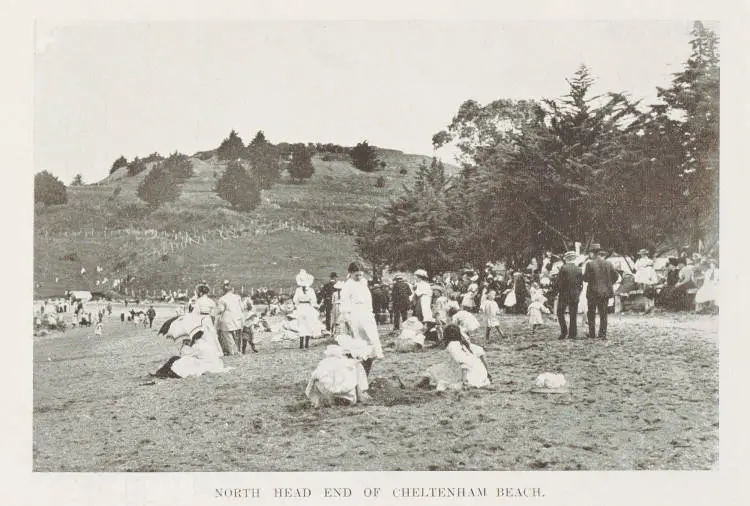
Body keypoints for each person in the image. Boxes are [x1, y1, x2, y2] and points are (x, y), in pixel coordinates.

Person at [339, 262, 384, 376]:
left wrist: (370, 314)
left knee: (371, 343)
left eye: (360, 275)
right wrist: (347, 320)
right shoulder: (347, 286)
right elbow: (344, 305)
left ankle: (365, 374)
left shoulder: (363, 284)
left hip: (366, 316)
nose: (359, 277)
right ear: (350, 273)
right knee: (357, 345)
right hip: (354, 316)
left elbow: (368, 301)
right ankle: (356, 375)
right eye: (356, 275)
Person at [152, 312, 228, 378]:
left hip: (207, 364)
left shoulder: (198, 345)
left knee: (180, 360)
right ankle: (162, 372)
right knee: (176, 359)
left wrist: (185, 345)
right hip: (211, 363)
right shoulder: (202, 342)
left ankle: (162, 373)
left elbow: (184, 355)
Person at [418, 324, 491, 391]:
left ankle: (423, 384)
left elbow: (463, 363)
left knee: (433, 371)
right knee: (439, 369)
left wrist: (464, 381)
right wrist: (487, 372)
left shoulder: (452, 345)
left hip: (467, 373)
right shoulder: (464, 343)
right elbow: (481, 353)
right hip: (480, 372)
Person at [305, 344, 371, 407]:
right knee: (355, 378)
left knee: (316, 381)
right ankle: (358, 398)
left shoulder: (324, 363)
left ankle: (318, 402)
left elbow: (314, 377)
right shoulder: (350, 363)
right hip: (349, 398)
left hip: (331, 397)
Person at [583, 244, 618, 339]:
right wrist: (608, 284)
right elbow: (616, 276)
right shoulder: (609, 263)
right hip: (605, 293)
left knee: (591, 313)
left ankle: (592, 334)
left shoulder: (589, 264)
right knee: (603, 314)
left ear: (592, 253)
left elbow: (585, 278)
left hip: (593, 293)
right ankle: (602, 334)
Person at [556, 251, 583, 340]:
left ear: (566, 259)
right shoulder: (579, 269)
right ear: (574, 258)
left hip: (564, 294)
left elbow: (560, 283)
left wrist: (559, 291)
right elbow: (580, 284)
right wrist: (578, 292)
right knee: (573, 314)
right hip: (575, 294)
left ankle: (564, 332)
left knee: (560, 312)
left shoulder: (563, 268)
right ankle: (573, 334)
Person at [293, 269, 320, 350]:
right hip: (303, 307)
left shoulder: (309, 290)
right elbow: (295, 300)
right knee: (303, 324)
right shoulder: (299, 290)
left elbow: (313, 300)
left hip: (306, 307)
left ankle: (306, 344)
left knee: (307, 324)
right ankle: (302, 344)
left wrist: (313, 305)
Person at [216, 280, 243, 355]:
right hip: (237, 320)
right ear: (231, 289)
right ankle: (238, 350)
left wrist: (214, 312)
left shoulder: (222, 299)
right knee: (237, 336)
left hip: (227, 321)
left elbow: (220, 310)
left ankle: (232, 351)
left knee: (227, 336)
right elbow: (242, 308)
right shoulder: (237, 297)